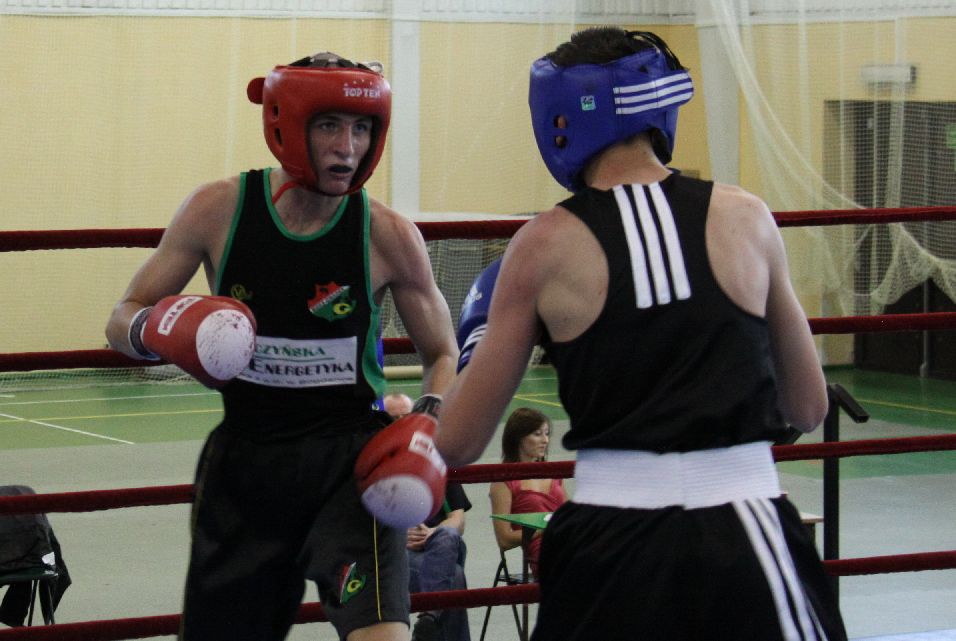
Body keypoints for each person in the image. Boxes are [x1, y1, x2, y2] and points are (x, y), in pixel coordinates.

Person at [435, 27, 846, 641]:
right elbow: (808, 407)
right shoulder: (747, 217)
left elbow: (459, 441)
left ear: (557, 120)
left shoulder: (541, 246)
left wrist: (461, 362)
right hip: (748, 532)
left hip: (610, 543)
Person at [105, 52, 458, 641]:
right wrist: (160, 328)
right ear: (286, 126)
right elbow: (122, 316)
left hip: (352, 468)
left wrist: (427, 419)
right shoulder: (218, 210)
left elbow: (443, 353)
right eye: (329, 126)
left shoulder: (388, 234)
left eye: (362, 127)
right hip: (247, 466)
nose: (348, 147)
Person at [489, 408, 565, 578]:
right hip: (544, 553)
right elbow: (504, 539)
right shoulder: (504, 481)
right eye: (537, 434)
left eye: (547, 434)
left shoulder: (555, 473)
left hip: (567, 541)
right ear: (519, 437)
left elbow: (568, 516)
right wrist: (545, 528)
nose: (545, 440)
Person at [406, 482, 472, 641]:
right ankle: (429, 618)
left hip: (440, 547)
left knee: (448, 534)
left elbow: (458, 520)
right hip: (400, 551)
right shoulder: (383, 470)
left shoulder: (442, 469)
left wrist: (433, 533)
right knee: (454, 576)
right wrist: (397, 534)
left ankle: (428, 616)